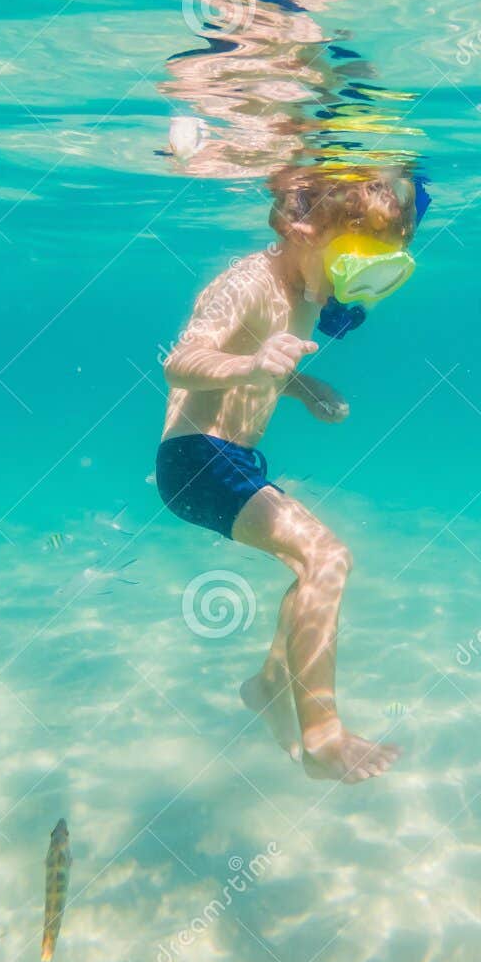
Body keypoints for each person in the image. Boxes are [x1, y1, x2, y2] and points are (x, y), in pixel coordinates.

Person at [156, 166, 419, 783]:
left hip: (235, 458)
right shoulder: (247, 281)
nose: (350, 290)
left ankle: (271, 683)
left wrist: (302, 387)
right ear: (307, 230)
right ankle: (323, 736)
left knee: (309, 567)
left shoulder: (307, 292)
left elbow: (270, 362)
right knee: (328, 558)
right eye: (351, 263)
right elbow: (182, 363)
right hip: (194, 458)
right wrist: (252, 363)